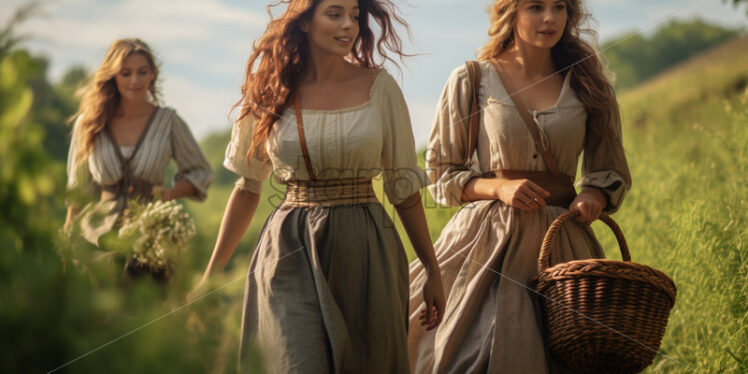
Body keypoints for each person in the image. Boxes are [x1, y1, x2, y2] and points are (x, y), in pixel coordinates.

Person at [191, 0, 445, 372]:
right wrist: (209, 277)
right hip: (288, 248)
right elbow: (248, 187)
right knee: (294, 360)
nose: (349, 25)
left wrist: (432, 270)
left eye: (355, 16)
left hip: (366, 245)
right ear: (305, 22)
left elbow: (403, 189)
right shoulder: (270, 90)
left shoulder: (380, 88)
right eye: (335, 14)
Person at [407, 0, 631, 372]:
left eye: (559, 7)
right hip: (484, 241)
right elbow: (441, 174)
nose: (549, 18)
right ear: (509, 14)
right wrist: (497, 188)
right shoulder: (472, 78)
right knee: (466, 354)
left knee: (568, 352)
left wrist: (593, 194)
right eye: (535, 7)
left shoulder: (588, 82)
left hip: (560, 243)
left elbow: (608, 167)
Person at [65, 38, 213, 248]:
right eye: (126, 73)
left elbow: (201, 173)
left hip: (152, 238)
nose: (135, 80)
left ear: (153, 74)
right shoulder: (90, 123)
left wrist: (170, 193)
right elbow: (76, 190)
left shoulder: (169, 122)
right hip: (95, 239)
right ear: (113, 75)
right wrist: (66, 243)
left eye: (142, 72)